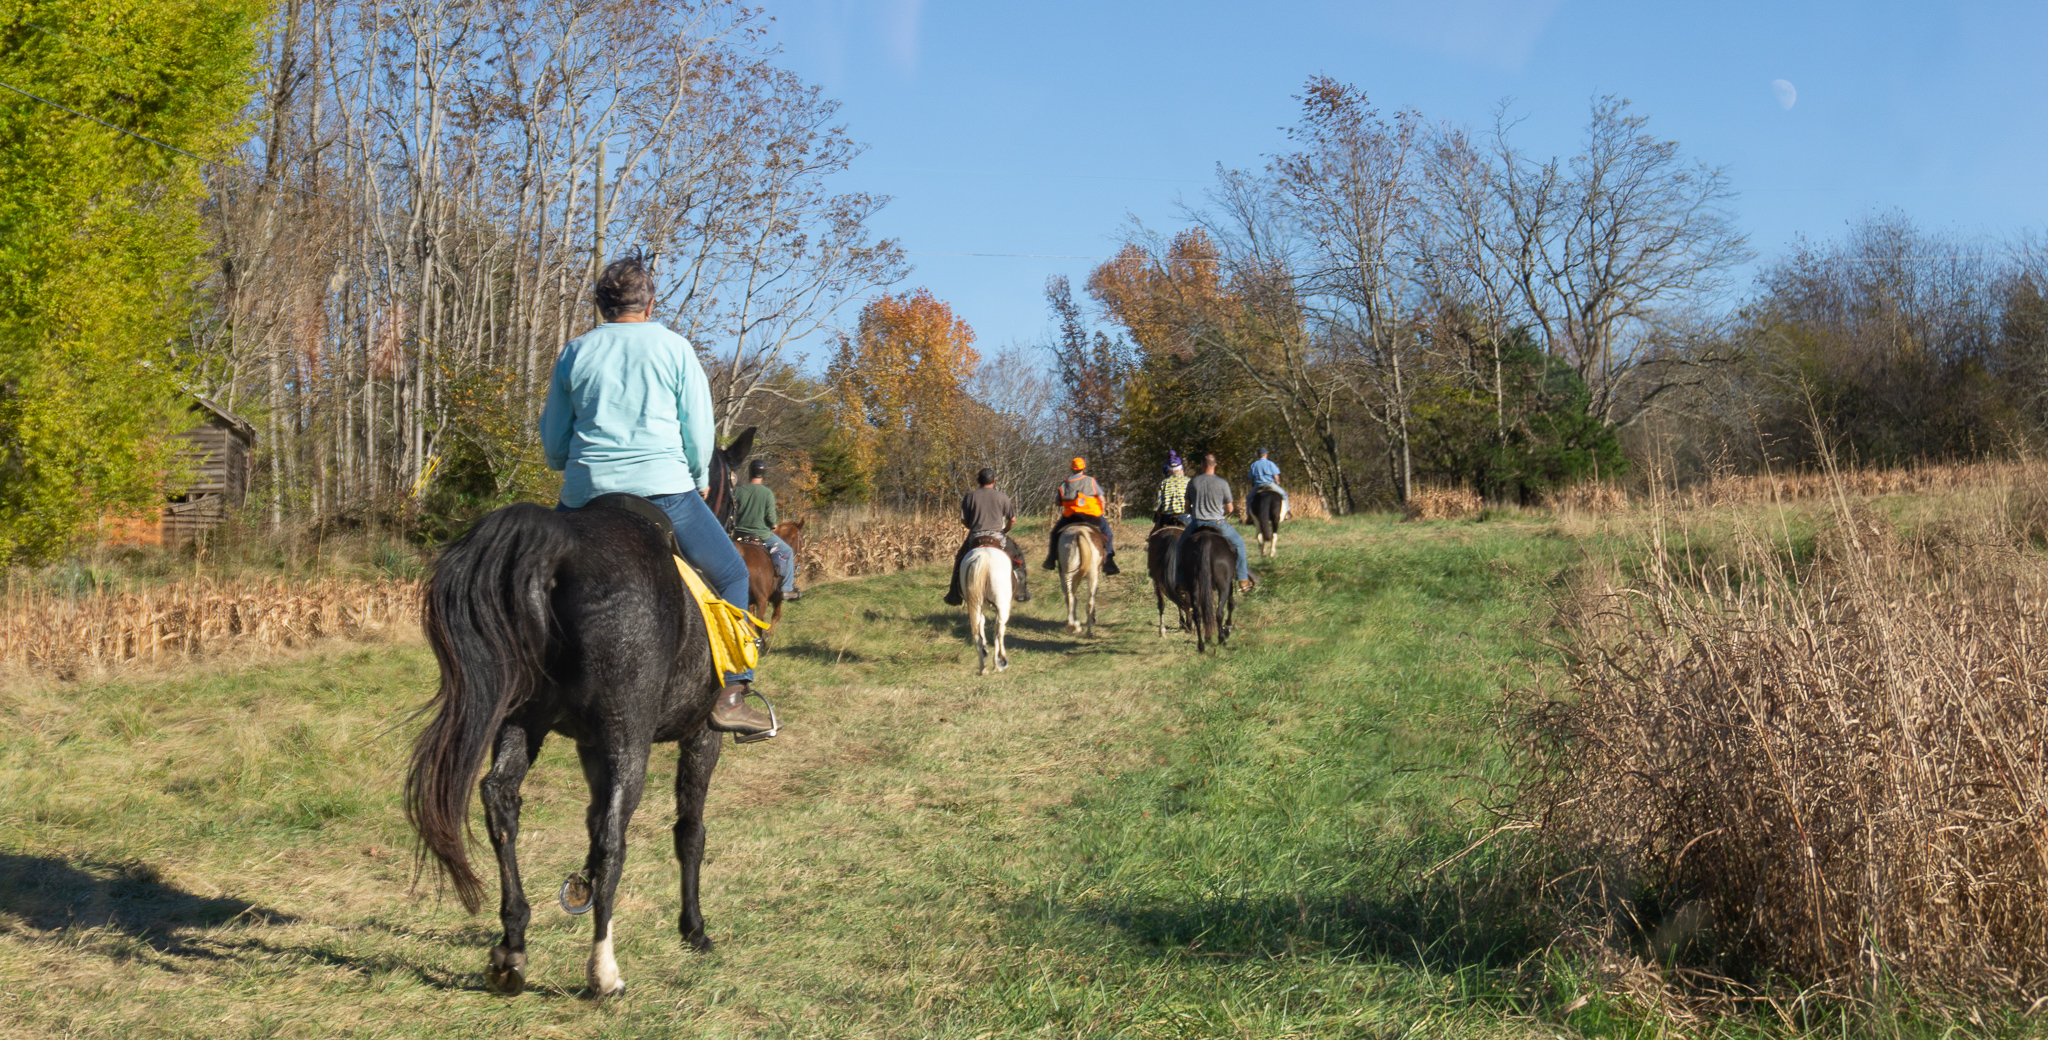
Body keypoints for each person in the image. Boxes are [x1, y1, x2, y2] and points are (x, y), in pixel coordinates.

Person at [539, 252, 775, 736]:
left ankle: (524, 684)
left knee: (528, 579)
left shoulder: (575, 352)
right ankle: (732, 692)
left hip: (585, 496)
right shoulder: (675, 348)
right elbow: (698, 430)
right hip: (664, 492)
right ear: (649, 304)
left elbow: (553, 440)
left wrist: (569, 463)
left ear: (602, 306)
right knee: (732, 574)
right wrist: (696, 472)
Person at [944, 467, 1030, 606]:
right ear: (994, 480)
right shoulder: (1002, 497)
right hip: (998, 537)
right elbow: (1012, 519)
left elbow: (963, 520)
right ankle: (1021, 592)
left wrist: (972, 529)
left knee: (959, 560)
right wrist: (1004, 531)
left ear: (978, 481)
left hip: (975, 538)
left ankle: (954, 594)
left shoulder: (970, 497)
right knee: (1018, 558)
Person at [1180, 453, 1255, 593]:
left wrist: (1197, 511)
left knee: (1180, 545)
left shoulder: (1193, 482)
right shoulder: (1222, 483)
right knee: (1239, 544)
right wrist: (1220, 514)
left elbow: (1186, 508)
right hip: (1218, 522)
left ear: (1202, 465)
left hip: (1197, 523)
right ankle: (1243, 580)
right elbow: (1230, 508)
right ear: (1215, 465)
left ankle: (1181, 581)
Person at [732, 459, 801, 602]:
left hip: (739, 535)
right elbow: (771, 518)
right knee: (787, 552)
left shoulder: (738, 490)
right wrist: (773, 525)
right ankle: (787, 588)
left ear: (750, 472)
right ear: (764, 474)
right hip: (762, 535)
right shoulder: (767, 493)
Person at [1044, 457, 1121, 576]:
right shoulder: (1091, 481)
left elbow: (1058, 502)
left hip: (1071, 516)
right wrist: (1102, 510)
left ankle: (1051, 559)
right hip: (1092, 516)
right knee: (1108, 533)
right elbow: (1101, 499)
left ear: (1071, 468)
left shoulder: (1064, 484)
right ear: (1083, 467)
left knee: (1054, 533)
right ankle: (1108, 562)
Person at [1155, 451, 1192, 527]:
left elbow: (1157, 505)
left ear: (1168, 470)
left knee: (1153, 535)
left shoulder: (1163, 483)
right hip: (1185, 517)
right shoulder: (1189, 482)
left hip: (1167, 518)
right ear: (1181, 469)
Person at [1248, 446, 1288, 515]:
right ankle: (1287, 512)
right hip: (1269, 484)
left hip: (1258, 484)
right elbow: (1276, 476)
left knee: (1248, 498)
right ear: (1265, 454)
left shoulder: (1254, 465)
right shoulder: (1270, 463)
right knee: (1284, 494)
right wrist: (1277, 483)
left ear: (1258, 455)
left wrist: (1253, 485)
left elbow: (1251, 479)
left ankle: (1249, 514)